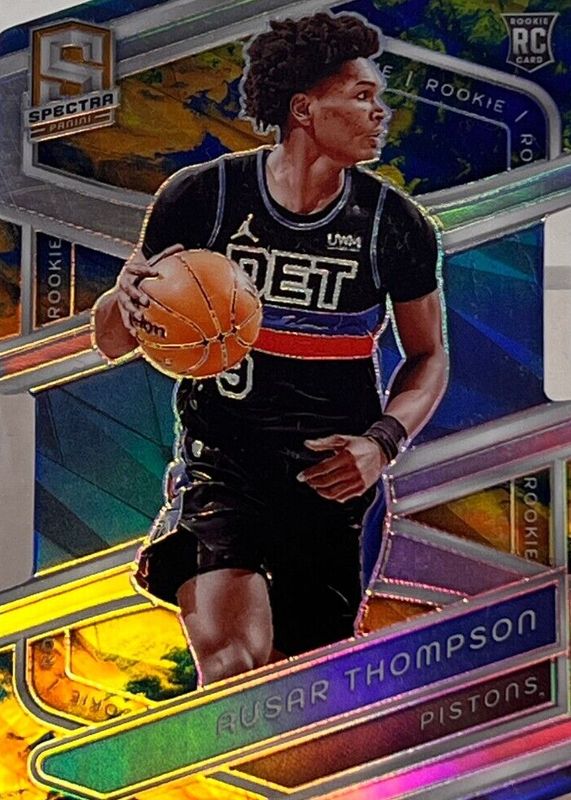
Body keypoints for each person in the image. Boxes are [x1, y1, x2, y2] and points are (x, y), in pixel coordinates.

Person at [92, 11, 448, 686]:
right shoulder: (205, 196)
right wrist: (126, 295)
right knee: (234, 663)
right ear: (304, 108)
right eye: (363, 96)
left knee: (298, 687)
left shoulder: (395, 224)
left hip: (332, 480)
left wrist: (380, 443)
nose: (381, 112)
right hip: (224, 465)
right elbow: (111, 340)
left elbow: (428, 355)